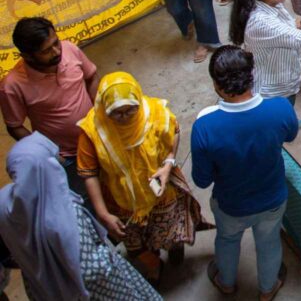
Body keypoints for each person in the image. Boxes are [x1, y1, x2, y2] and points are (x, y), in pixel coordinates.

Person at [77, 72, 211, 283]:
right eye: (116, 112)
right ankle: (154, 263)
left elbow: (174, 131)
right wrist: (103, 214)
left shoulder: (156, 113)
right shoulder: (92, 131)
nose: (125, 117)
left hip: (161, 190)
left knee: (170, 230)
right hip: (123, 201)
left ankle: (175, 247)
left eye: (130, 109)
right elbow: (89, 173)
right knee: (134, 243)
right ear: (103, 108)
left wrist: (168, 164)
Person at [0, 133, 162, 301]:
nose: (61, 159)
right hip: (95, 291)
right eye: (54, 159)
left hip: (45, 290)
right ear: (47, 167)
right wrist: (111, 262)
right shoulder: (64, 212)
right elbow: (92, 270)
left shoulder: (5, 206)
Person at [192, 46, 298, 300]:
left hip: (230, 206)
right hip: (273, 199)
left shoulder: (204, 127)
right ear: (252, 76)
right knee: (269, 242)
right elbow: (291, 135)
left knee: (227, 240)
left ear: (216, 85)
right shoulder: (281, 108)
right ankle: (267, 289)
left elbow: (201, 180)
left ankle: (226, 283)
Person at [0, 17, 98, 203]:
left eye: (56, 42)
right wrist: (50, 153)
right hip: (67, 158)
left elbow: (92, 76)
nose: (57, 51)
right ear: (27, 56)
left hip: (98, 140)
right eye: (46, 51)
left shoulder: (70, 49)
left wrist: (99, 113)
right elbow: (15, 126)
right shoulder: (12, 86)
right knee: (84, 199)